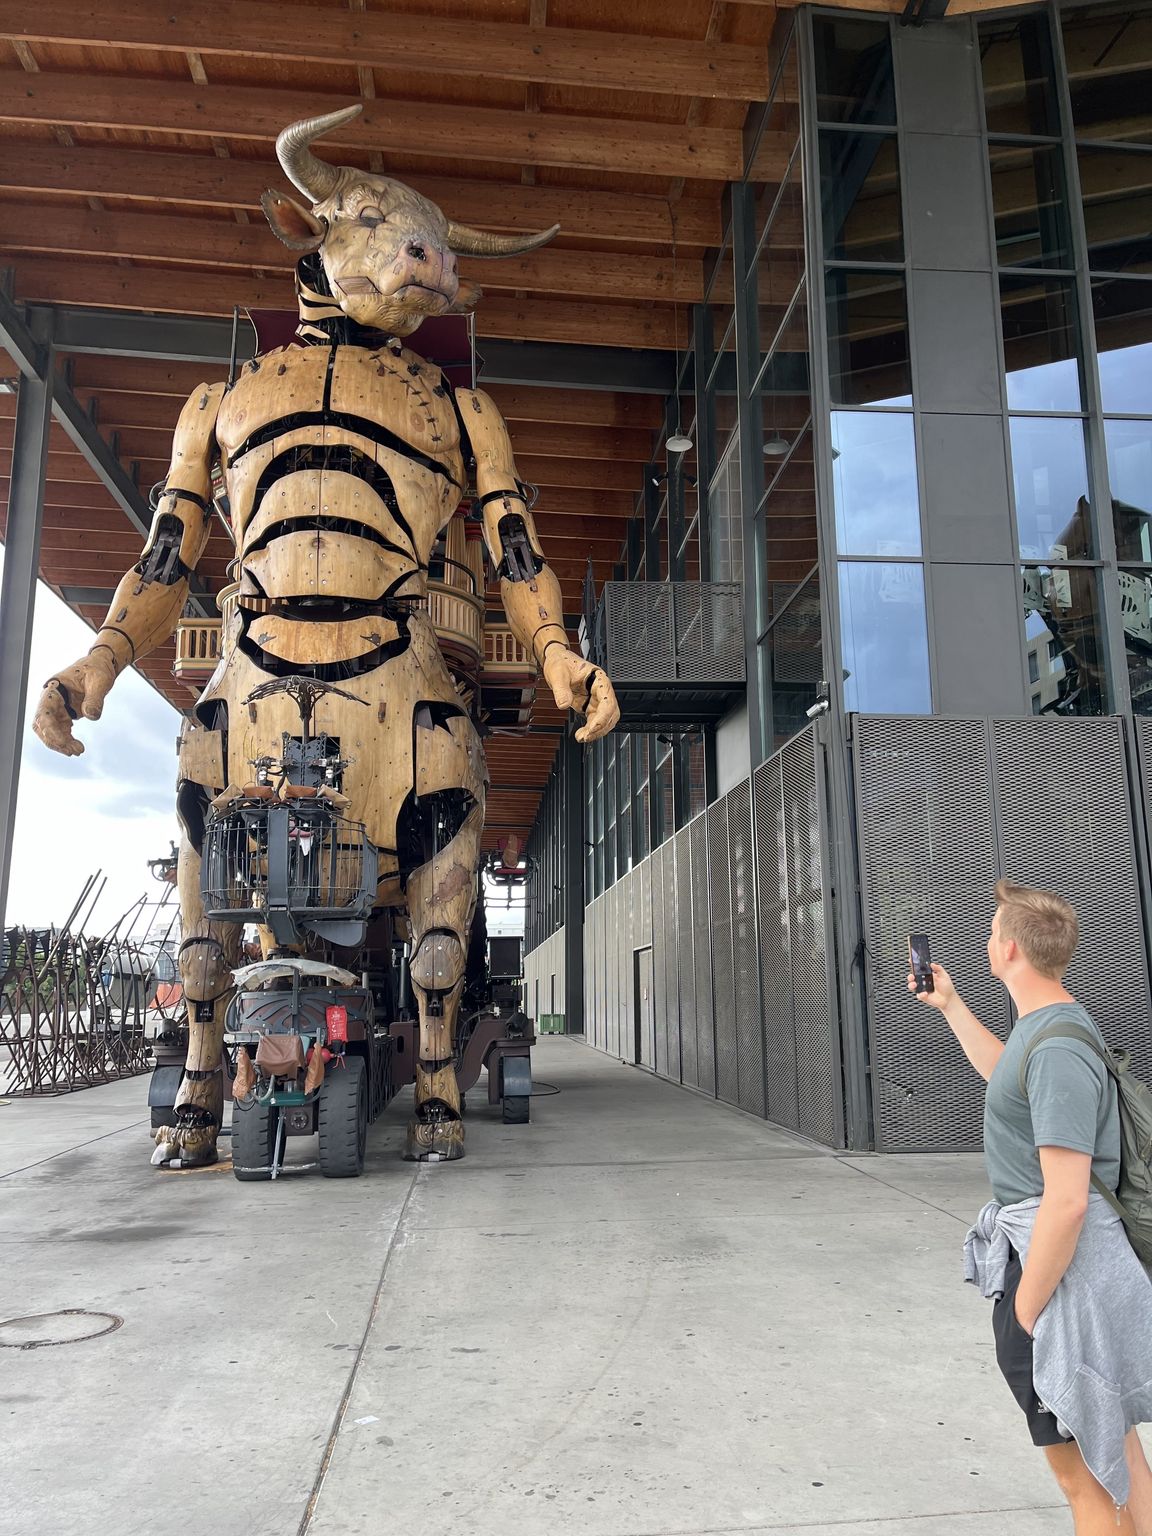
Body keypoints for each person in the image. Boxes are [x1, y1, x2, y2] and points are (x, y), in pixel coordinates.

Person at [911, 879, 1152, 1535]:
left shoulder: (1060, 1049)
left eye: (991, 933)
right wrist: (952, 1005)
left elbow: (1068, 1201)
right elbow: (1009, 1078)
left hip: (1062, 1272)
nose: (987, 942)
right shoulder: (1045, 1029)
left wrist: (1025, 1308)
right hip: (1059, 1262)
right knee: (1118, 1462)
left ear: (1010, 949)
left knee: (1087, 1486)